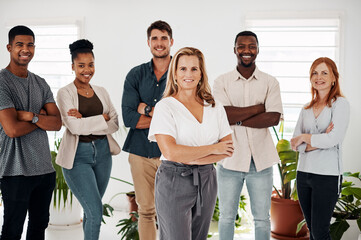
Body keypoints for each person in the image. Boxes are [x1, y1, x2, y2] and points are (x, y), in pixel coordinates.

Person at [148, 47, 234, 240]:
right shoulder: (165, 107)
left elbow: (227, 149)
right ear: (175, 73)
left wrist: (191, 156)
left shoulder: (215, 106)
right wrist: (213, 148)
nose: (188, 74)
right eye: (183, 69)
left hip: (207, 180)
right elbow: (171, 153)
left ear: (201, 73)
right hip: (173, 179)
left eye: (194, 69)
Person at [213, 30, 283, 240]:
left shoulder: (270, 82)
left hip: (261, 162)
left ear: (258, 50)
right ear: (234, 49)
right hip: (229, 160)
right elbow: (222, 115)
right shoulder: (221, 82)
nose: (246, 50)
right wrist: (257, 109)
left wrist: (238, 118)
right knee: (226, 217)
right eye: (241, 46)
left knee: (262, 219)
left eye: (251, 46)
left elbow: (272, 118)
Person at [0, 25, 62, 240]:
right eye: (19, 44)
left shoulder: (41, 83)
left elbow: (57, 123)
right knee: (12, 230)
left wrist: (30, 116)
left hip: (44, 170)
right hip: (15, 171)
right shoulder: (2, 82)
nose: (25, 49)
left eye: (30, 45)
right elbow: (12, 129)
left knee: (39, 228)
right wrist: (42, 118)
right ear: (9, 47)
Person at [55, 39, 120, 240]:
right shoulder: (64, 93)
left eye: (90, 65)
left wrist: (86, 120)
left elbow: (115, 123)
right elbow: (74, 128)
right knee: (95, 211)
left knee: (93, 211)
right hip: (77, 157)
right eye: (81, 65)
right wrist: (102, 118)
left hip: (102, 154)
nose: (86, 70)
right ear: (72, 66)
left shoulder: (101, 91)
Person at [121, 20, 173, 240]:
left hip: (171, 153)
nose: (159, 43)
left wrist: (147, 109)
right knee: (146, 211)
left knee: (172, 212)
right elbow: (129, 117)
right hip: (140, 152)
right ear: (148, 42)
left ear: (171, 41)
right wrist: (162, 115)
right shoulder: (136, 75)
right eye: (154, 38)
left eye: (163, 38)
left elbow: (182, 118)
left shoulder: (182, 74)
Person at [291, 57, 350, 240]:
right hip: (303, 175)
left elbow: (333, 139)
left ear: (334, 78)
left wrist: (305, 138)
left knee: (320, 231)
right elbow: (295, 143)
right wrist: (319, 138)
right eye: (315, 73)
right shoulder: (306, 108)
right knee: (312, 231)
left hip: (327, 176)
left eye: (324, 72)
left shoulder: (340, 104)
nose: (319, 77)